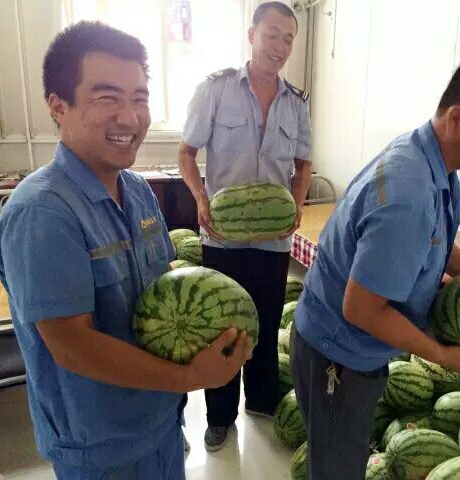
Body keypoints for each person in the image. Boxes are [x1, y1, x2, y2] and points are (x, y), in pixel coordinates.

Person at [0, 21, 251, 480]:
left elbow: (164, 290)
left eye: (139, 98)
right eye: (107, 97)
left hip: (159, 421)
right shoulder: (42, 212)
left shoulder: (138, 190)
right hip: (101, 447)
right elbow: (73, 347)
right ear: (58, 106)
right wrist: (191, 378)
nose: (130, 118)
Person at [291, 46, 460, 479]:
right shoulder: (409, 196)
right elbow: (362, 309)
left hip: (349, 349)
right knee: (336, 470)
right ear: (457, 119)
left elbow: (435, 242)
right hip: (338, 356)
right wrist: (442, 355)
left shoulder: (430, 161)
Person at [177, 1, 312, 451]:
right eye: (272, 34)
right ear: (252, 34)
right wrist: (200, 198)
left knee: (266, 323)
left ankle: (262, 402)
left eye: (288, 39)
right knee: (223, 326)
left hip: (273, 240)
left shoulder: (296, 103)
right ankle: (219, 417)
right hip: (223, 236)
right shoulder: (215, 89)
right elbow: (186, 152)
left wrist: (296, 204)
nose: (280, 46)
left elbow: (304, 162)